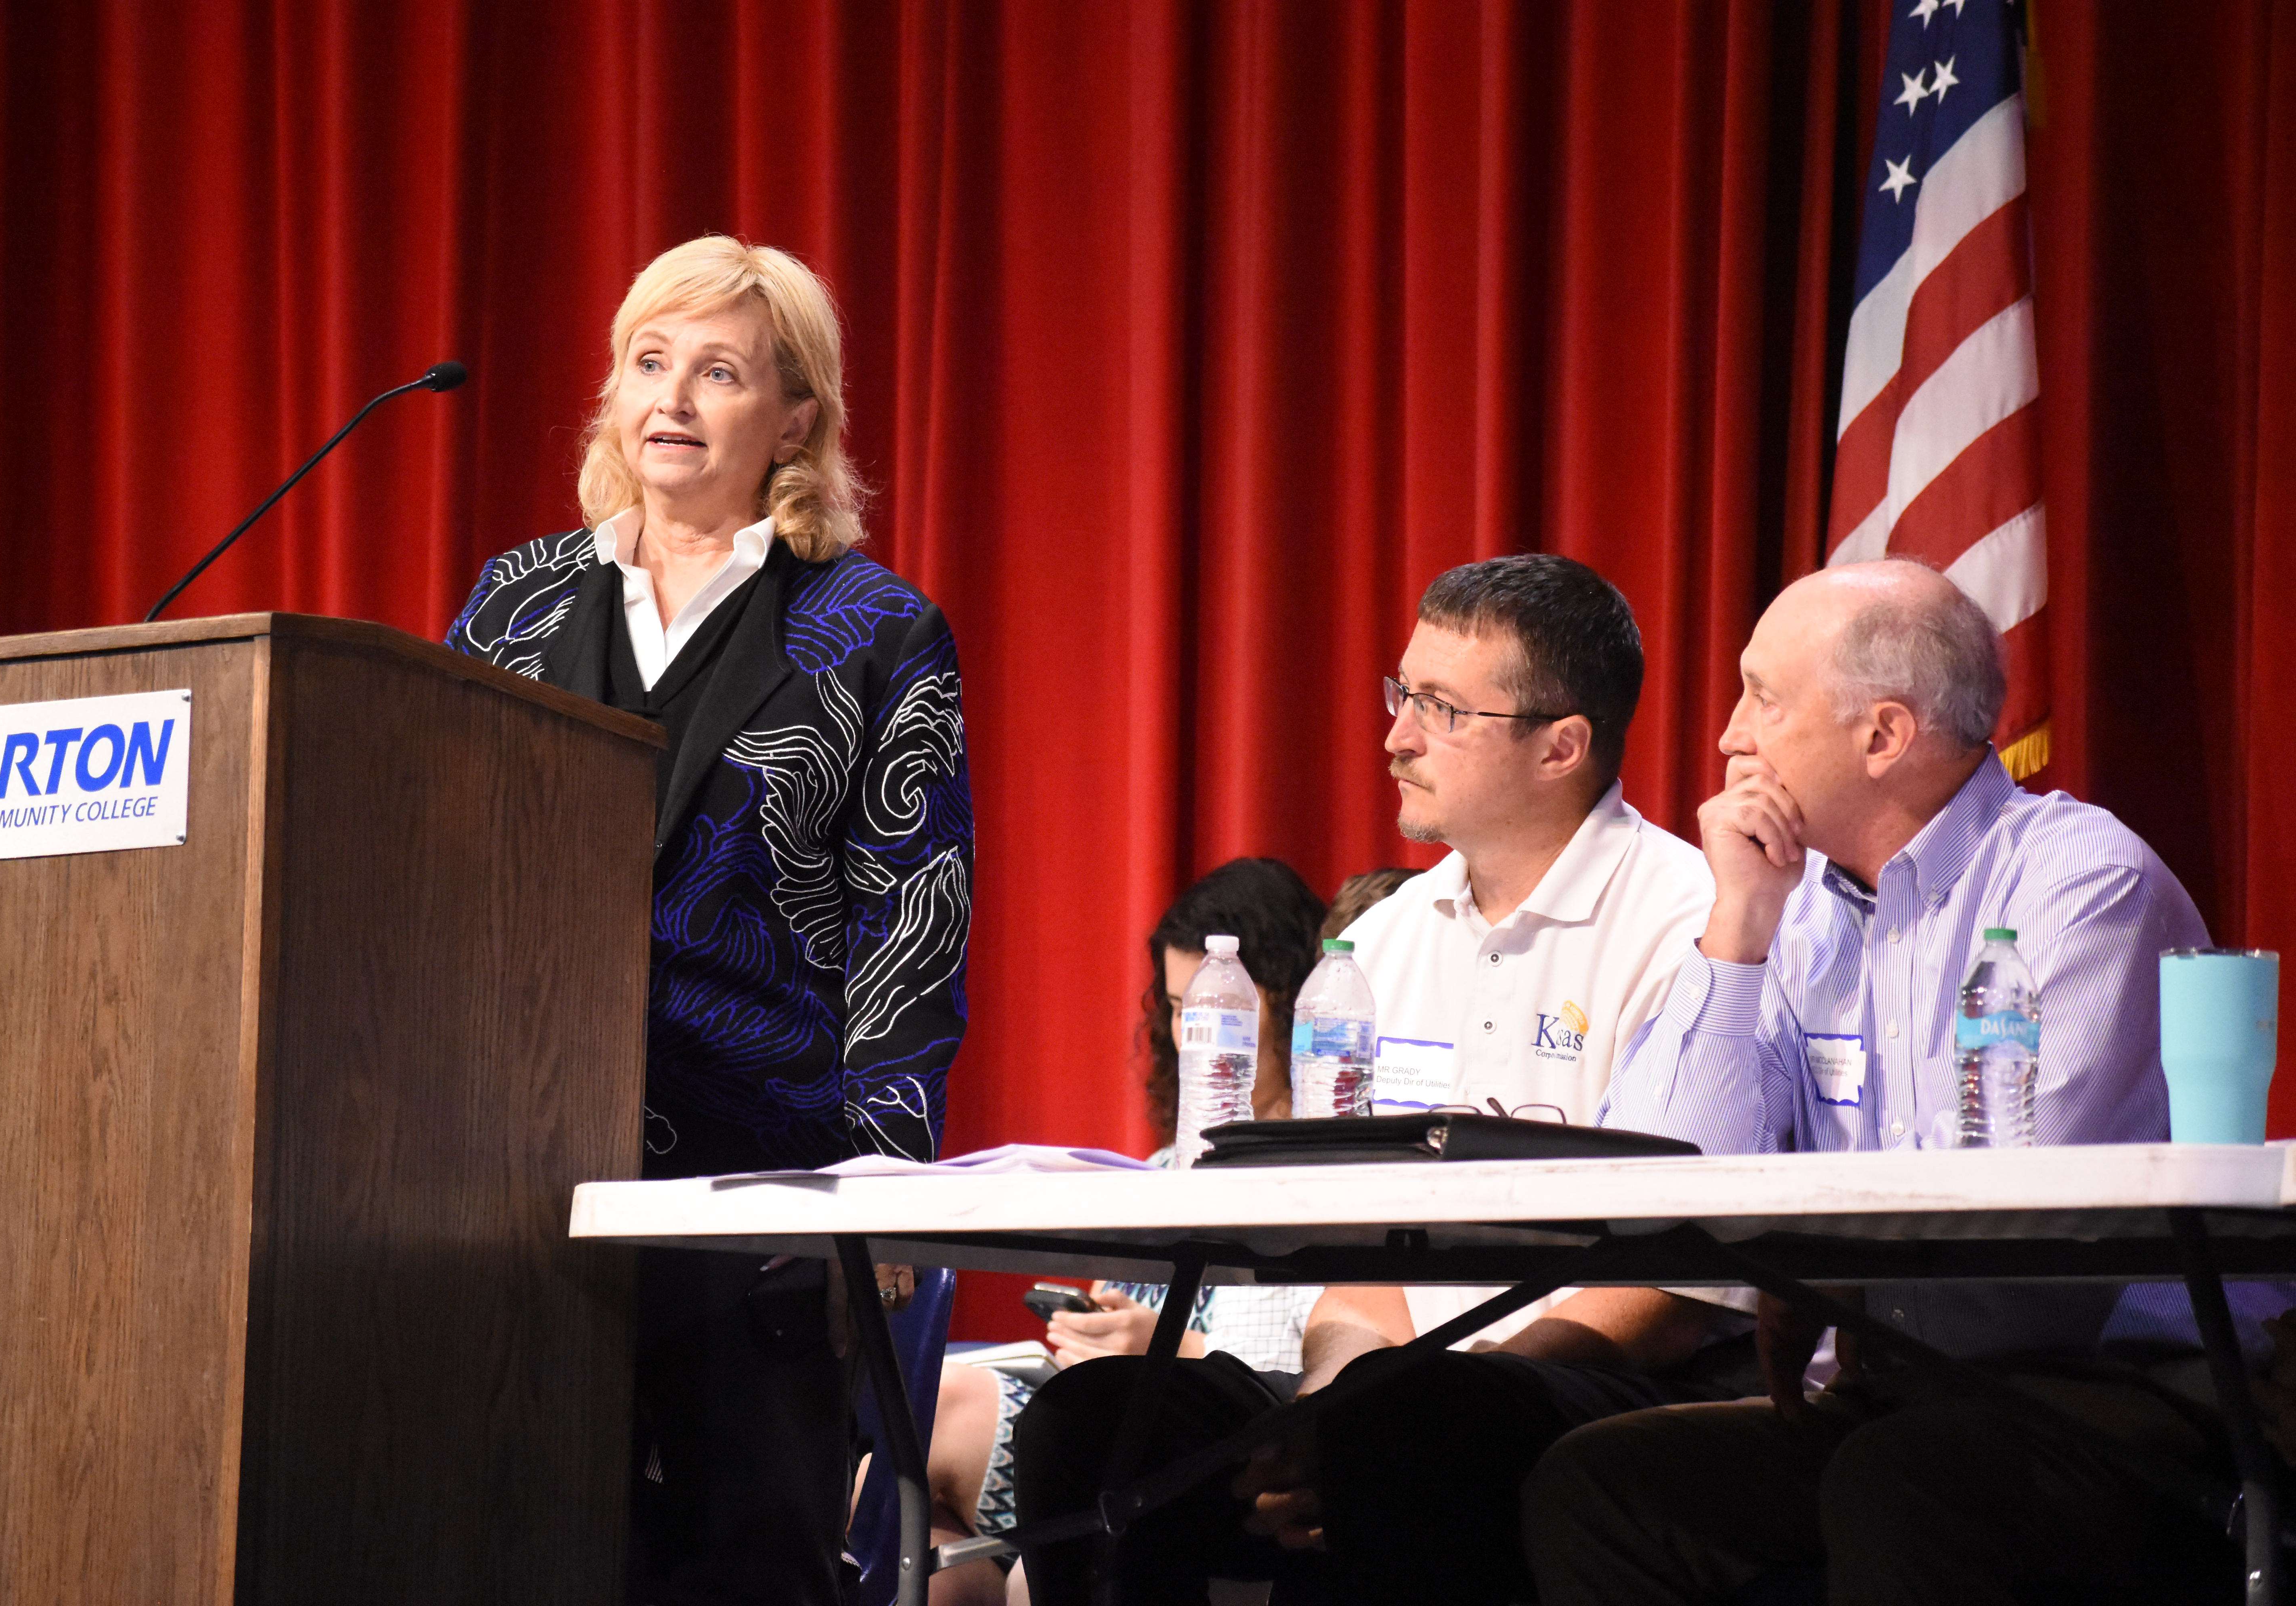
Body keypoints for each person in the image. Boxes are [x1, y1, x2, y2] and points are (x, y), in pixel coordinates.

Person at [1013, 554, 1733, 1605]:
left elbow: (1672, 1280)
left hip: (1591, 1378)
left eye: (1441, 709)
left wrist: (1392, 1407)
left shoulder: (1687, 922)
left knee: (1413, 1431)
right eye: (1405, 695)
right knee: (1101, 1423)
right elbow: (1357, 1260)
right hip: (1393, 1385)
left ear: (1561, 746)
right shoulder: (1381, 948)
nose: (1396, 736)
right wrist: (1320, 1406)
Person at [1523, 558, 2223, 1604]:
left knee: (1900, 1481)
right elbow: (1660, 1180)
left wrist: (1821, 1277)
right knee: (1603, 1486)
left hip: (2122, 1391)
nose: (1727, 736)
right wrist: (1741, 928)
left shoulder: (2083, 886)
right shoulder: (1796, 907)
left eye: (1763, 696)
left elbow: (2021, 1217)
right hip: (1897, 1391)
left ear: (1884, 736)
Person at [444, 236, 973, 1606]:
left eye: (720, 370)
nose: (672, 396)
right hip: (515, 1172)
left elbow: (913, 908)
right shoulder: (520, 601)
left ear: (795, 418)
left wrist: (888, 1175)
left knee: (750, 1561)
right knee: (526, 1543)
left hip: (764, 1175)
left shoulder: (872, 627)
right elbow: (425, 858)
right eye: (650, 362)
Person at [927, 857, 1354, 1606]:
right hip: (1093, 1426)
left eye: (1219, 1015)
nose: (1197, 1043)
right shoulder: (1163, 1168)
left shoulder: (1328, 1174)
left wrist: (1171, 1346)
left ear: (1286, 1002)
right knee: (909, 1485)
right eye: (1184, 1011)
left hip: (1228, 1442)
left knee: (956, 1422)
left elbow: (1331, 1359)